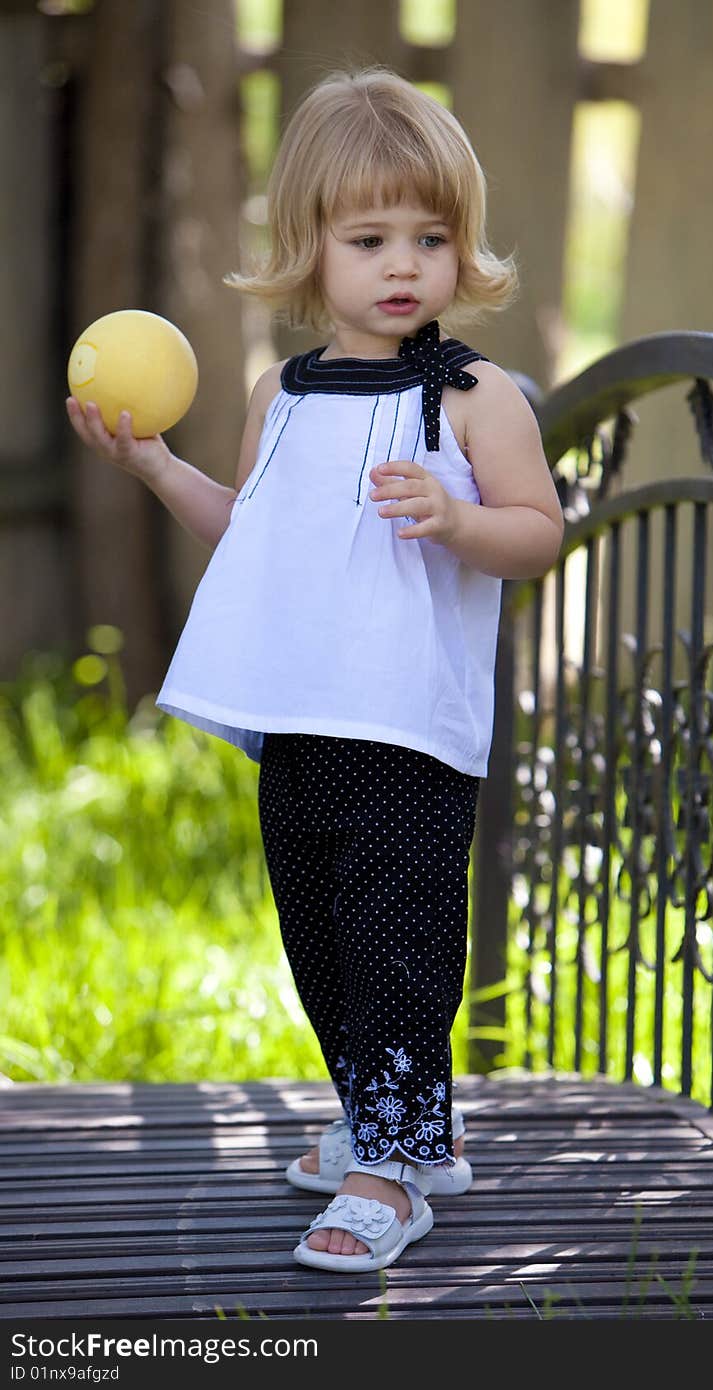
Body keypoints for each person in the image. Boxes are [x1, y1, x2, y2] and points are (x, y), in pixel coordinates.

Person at [65, 66, 564, 1274]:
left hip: (405, 730)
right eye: (369, 237)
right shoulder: (281, 395)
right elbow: (254, 532)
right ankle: (400, 1124)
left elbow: (540, 530)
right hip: (301, 721)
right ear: (309, 250)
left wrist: (456, 523)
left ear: (462, 248)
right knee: (323, 938)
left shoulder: (470, 398)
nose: (402, 263)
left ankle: (392, 1174)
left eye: (429, 237)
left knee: (400, 943)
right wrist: (157, 472)